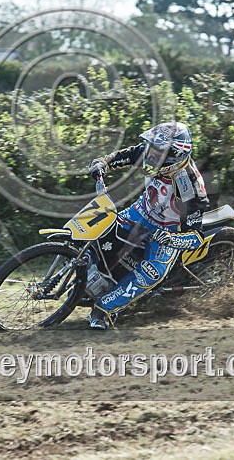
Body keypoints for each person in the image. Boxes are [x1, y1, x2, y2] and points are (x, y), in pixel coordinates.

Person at [86, 121, 212, 329]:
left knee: (152, 273)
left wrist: (171, 239)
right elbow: (122, 156)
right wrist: (102, 164)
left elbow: (196, 237)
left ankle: (104, 311)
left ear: (175, 155)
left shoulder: (190, 188)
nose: (152, 155)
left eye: (159, 151)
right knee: (99, 231)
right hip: (139, 211)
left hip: (167, 232)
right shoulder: (152, 152)